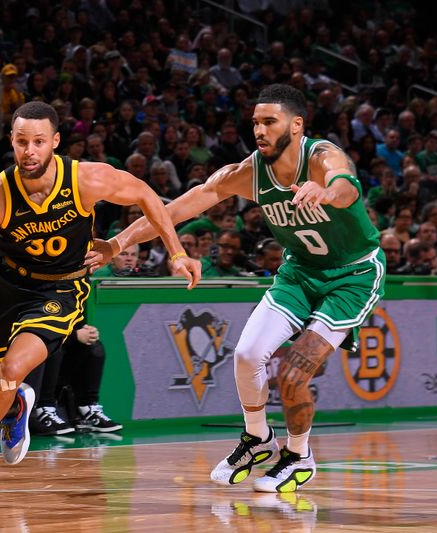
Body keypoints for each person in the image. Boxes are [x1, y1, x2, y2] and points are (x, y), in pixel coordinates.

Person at [88, 84, 384, 493]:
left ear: (296, 125)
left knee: (295, 372)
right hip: (299, 272)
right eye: (255, 123)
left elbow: (346, 183)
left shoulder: (322, 157)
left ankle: (299, 456)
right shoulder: (247, 173)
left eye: (269, 122)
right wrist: (117, 243)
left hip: (351, 275)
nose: (259, 130)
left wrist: (327, 192)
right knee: (246, 355)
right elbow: (173, 209)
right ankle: (259, 439)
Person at [0, 101, 199, 498]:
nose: (30, 151)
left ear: (55, 142)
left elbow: (147, 195)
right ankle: (14, 407)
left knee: (11, 370)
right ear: (11, 140)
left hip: (61, 289)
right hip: (8, 289)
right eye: (22, 141)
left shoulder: (86, 180)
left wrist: (175, 251)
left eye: (39, 142)